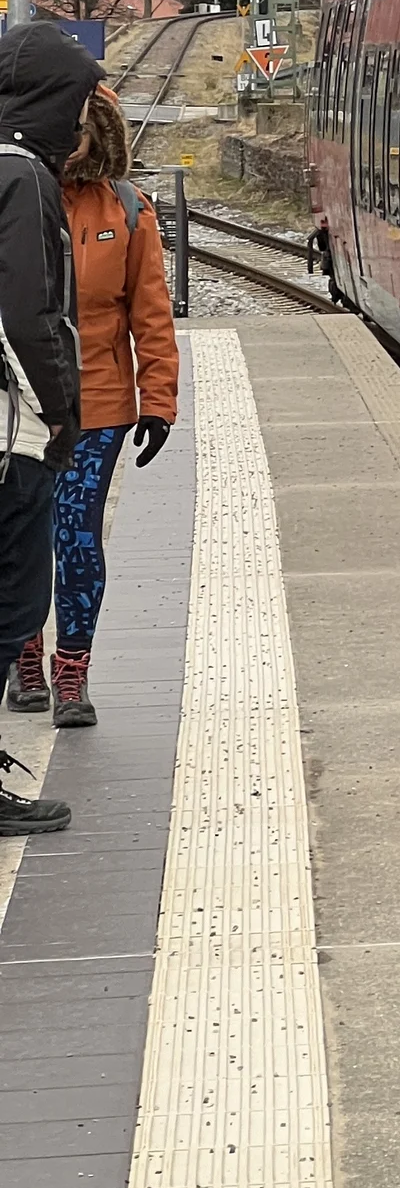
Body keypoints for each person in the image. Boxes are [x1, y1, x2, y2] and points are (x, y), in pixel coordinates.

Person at [6, 86, 177, 726]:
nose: (71, 141)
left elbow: (150, 314)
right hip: (21, 405)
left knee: (75, 534)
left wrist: (158, 400)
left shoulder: (127, 211)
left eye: (82, 128)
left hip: (98, 406)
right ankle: (24, 654)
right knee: (21, 534)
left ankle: (71, 668)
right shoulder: (15, 196)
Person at [0, 22, 105, 836]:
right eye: (73, 101)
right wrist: (63, 414)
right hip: (13, 439)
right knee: (14, 603)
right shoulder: (22, 179)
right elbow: (30, 318)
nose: (77, 123)